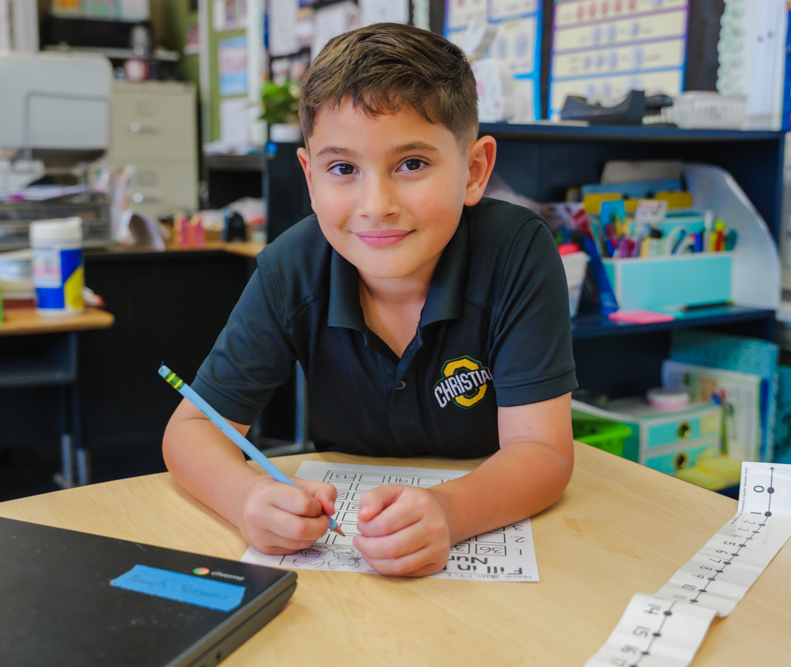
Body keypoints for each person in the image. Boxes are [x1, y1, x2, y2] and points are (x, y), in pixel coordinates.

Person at [163, 23, 576, 577]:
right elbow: (190, 431)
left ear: (474, 170)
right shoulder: (291, 267)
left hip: (490, 530)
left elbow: (543, 452)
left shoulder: (517, 253)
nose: (375, 204)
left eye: (411, 164)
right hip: (343, 551)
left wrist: (450, 512)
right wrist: (244, 497)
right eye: (343, 169)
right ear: (310, 178)